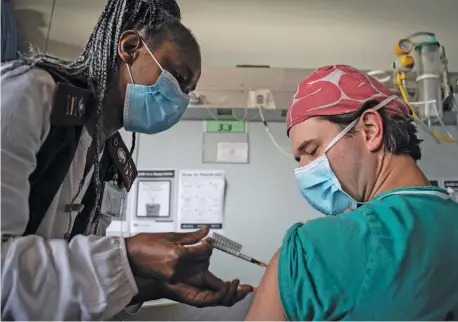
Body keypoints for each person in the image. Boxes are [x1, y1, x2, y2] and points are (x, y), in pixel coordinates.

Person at [1, 0, 253, 320]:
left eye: (188, 90)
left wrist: (156, 284)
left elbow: (65, 285)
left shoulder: (112, 158)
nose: (181, 98)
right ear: (130, 47)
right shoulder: (30, 94)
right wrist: (129, 256)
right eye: (177, 77)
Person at [245, 65, 458, 321]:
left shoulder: (312, 251)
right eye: (299, 160)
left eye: (312, 151)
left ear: (370, 130)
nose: (304, 171)